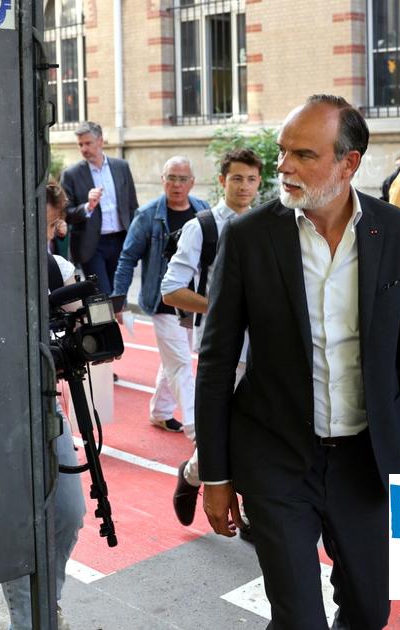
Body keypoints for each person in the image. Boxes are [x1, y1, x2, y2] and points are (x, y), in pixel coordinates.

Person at [196, 94, 400, 629]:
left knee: (370, 612)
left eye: (303, 154)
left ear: (349, 163)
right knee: (298, 618)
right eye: (282, 152)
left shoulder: (395, 231)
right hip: (277, 458)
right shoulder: (250, 237)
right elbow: (216, 360)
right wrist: (216, 475)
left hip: (366, 461)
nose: (284, 167)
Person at [159, 148, 262, 528]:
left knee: (257, 432)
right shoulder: (202, 227)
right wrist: (225, 310)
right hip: (223, 350)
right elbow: (171, 289)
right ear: (222, 181)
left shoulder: (267, 223)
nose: (244, 186)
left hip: (266, 348)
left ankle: (251, 509)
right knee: (222, 433)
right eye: (237, 178)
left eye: (251, 179)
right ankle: (190, 475)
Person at [2, 182, 86, 630]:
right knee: (20, 523)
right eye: (45, 222)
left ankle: (46, 604)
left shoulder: (57, 268)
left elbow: (79, 327)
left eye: (55, 225)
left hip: (47, 407)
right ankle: (29, 621)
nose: (51, 234)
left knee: (70, 512)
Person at [111, 156, 210, 433]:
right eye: (171, 178)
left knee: (174, 359)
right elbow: (127, 257)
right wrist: (119, 299)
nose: (176, 184)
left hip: (195, 302)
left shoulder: (203, 211)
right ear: (163, 180)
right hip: (163, 303)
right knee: (181, 363)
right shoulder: (148, 215)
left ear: (192, 182)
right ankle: (197, 426)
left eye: (182, 179)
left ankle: (160, 411)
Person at [60, 121, 140, 296]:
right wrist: (88, 207)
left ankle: (116, 323)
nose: (84, 149)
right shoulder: (71, 174)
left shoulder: (121, 167)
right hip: (92, 246)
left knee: (119, 294)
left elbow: (132, 206)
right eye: (80, 144)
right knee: (102, 295)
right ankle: (105, 324)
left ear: (101, 141)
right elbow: (65, 214)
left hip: (121, 240)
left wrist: (136, 238)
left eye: (88, 143)